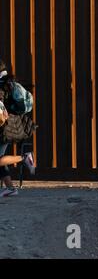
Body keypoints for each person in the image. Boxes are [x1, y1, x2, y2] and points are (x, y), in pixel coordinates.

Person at [0, 60, 35, 197]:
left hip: (3, 127)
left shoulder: (2, 85)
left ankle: (24, 158)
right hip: (11, 124)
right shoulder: (10, 83)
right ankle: (11, 188)